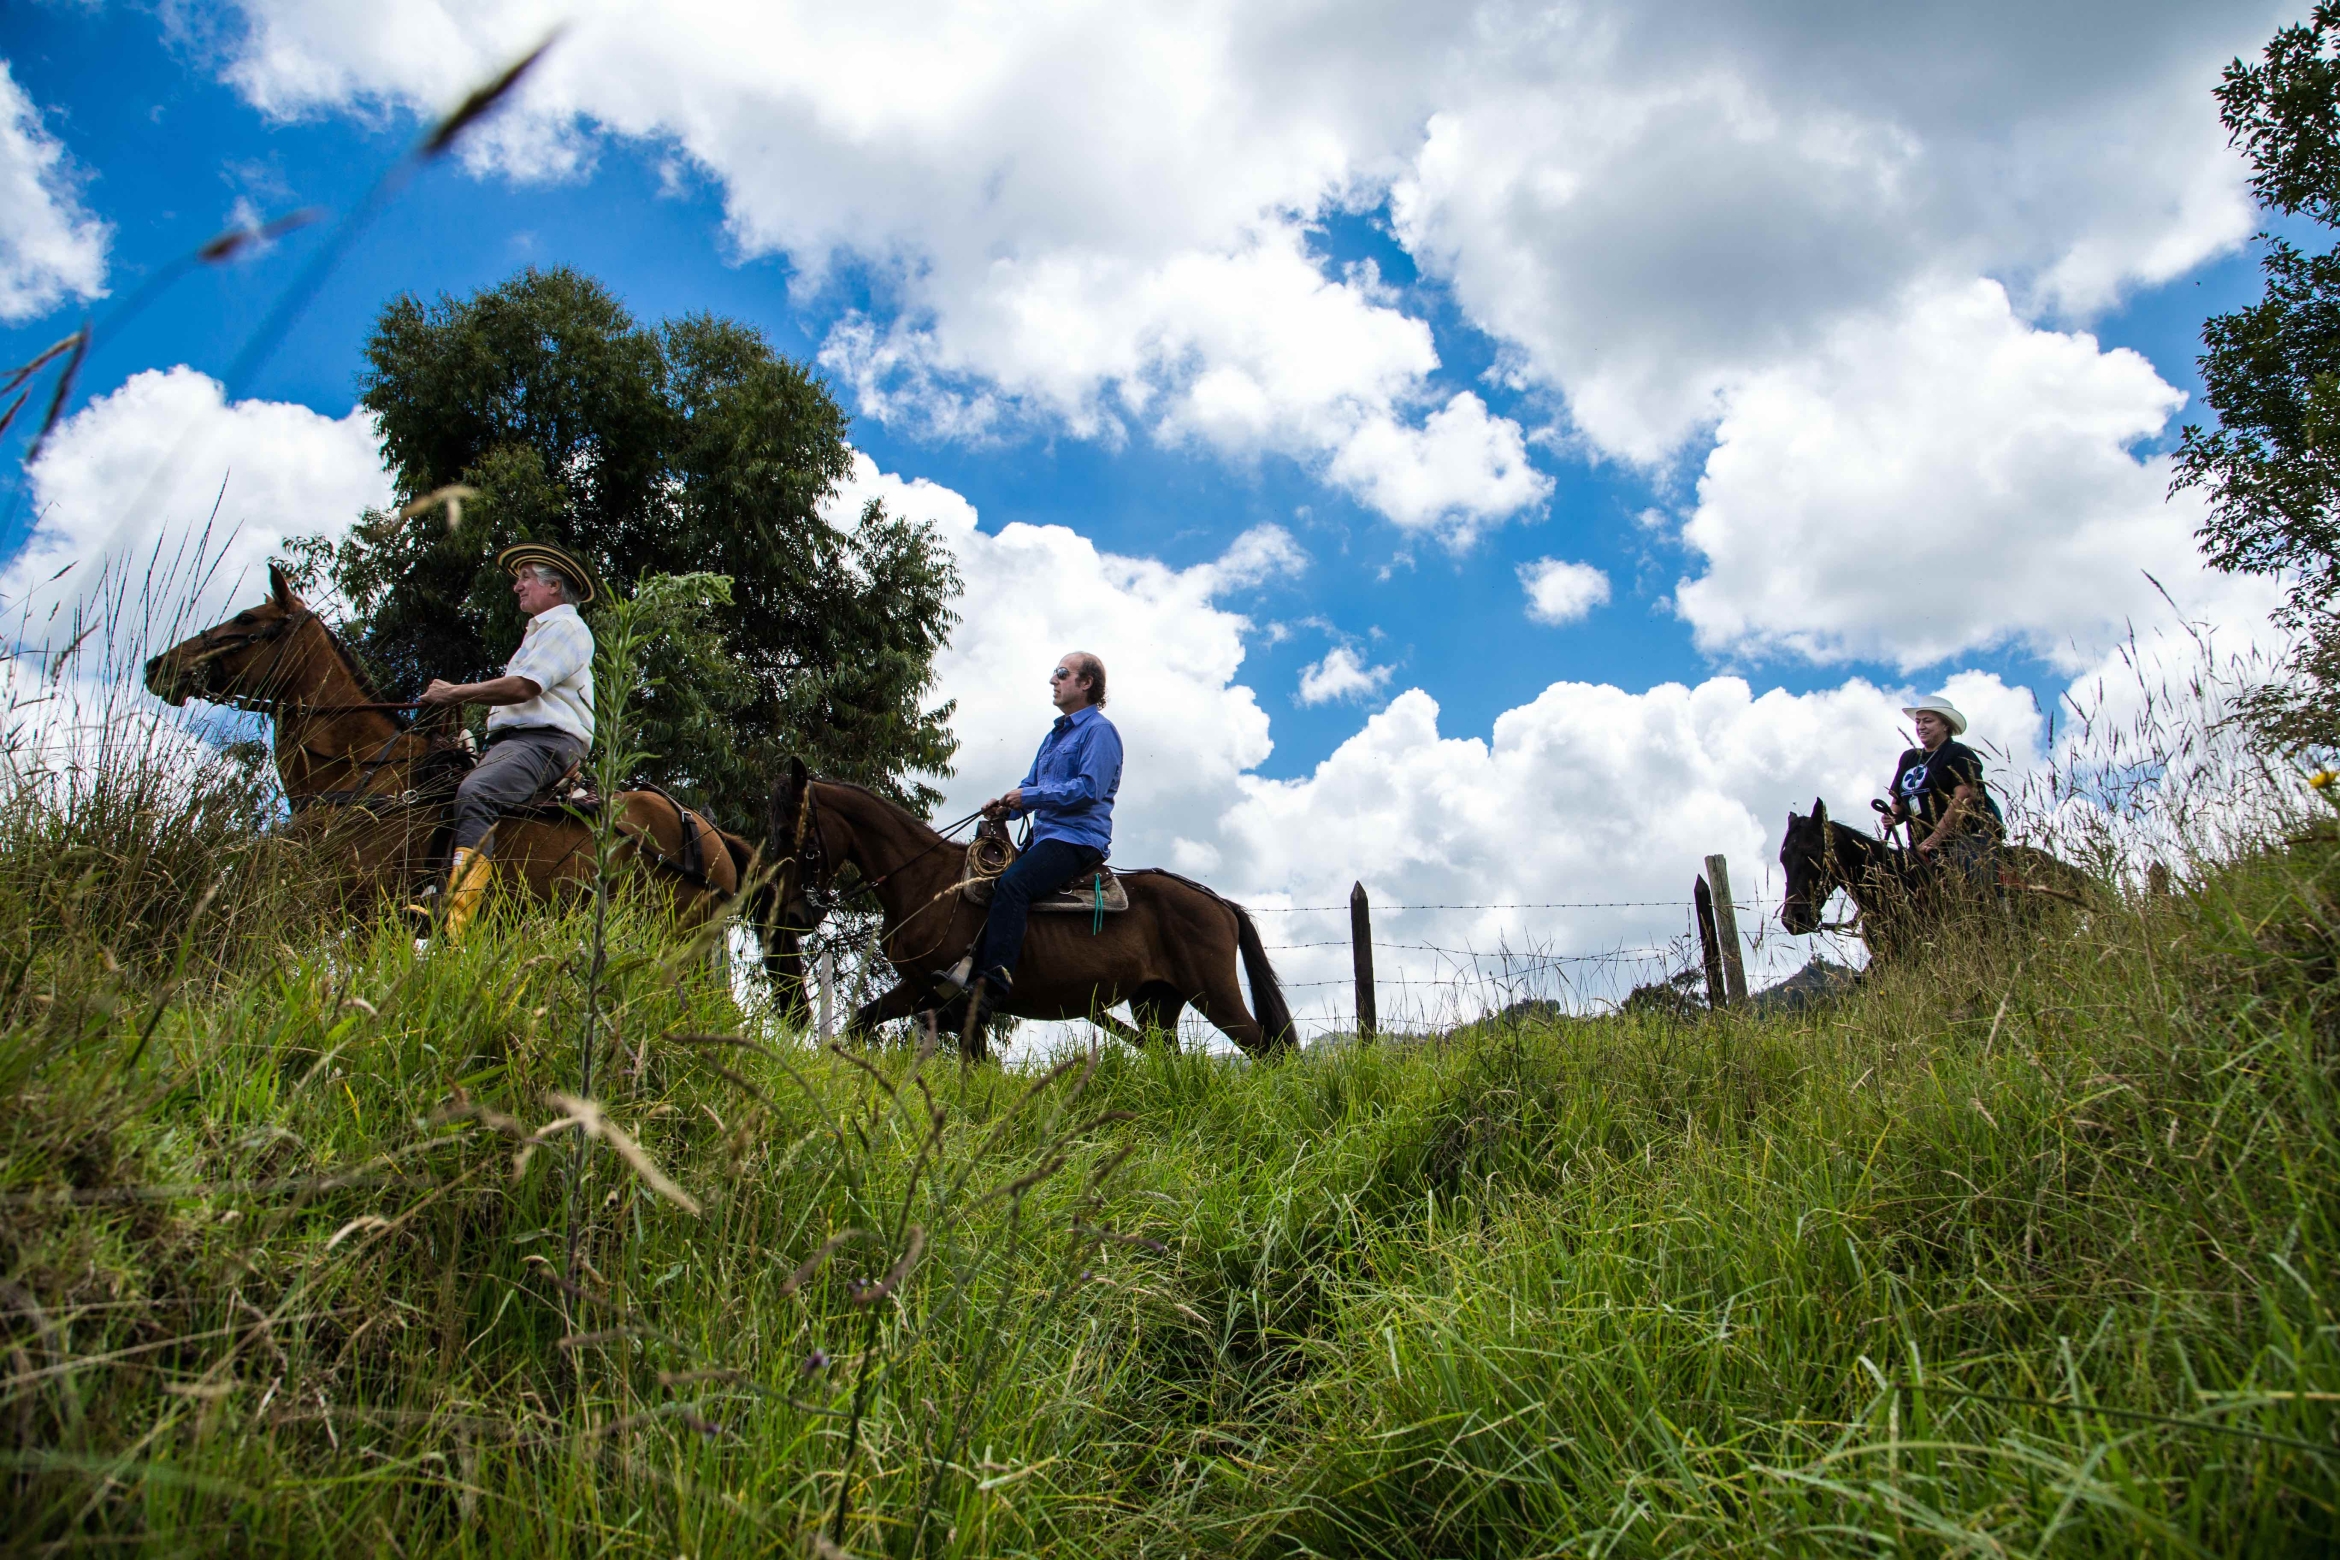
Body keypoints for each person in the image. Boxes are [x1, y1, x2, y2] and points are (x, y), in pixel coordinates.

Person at [408, 542, 598, 940]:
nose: (517, 586)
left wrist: (452, 694)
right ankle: (431, 887)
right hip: (516, 742)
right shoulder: (539, 633)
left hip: (545, 742)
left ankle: (455, 918)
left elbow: (524, 688)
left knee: (477, 791)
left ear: (554, 586)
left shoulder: (565, 627)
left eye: (526, 577)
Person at [939, 651, 1122, 1016]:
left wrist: (1030, 796)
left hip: (1077, 839)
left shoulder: (1100, 731)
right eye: (1055, 674)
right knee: (988, 883)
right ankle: (969, 973)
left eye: (1061, 674)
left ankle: (993, 983)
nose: (1053, 681)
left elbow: (1089, 788)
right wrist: (1008, 806)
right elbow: (1030, 785)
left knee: (1015, 884)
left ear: (1086, 683)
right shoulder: (1055, 735)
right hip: (1044, 838)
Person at [1881, 694, 2003, 883]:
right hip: (1919, 845)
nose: (1921, 726)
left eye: (1928, 721)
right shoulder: (1909, 758)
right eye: (1919, 721)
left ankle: (1997, 905)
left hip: (1964, 838)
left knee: (1973, 878)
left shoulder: (1958, 753)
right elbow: (1898, 803)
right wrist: (1892, 816)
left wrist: (1936, 837)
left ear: (1945, 725)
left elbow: (1965, 796)